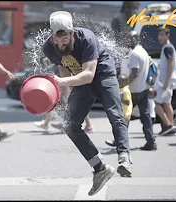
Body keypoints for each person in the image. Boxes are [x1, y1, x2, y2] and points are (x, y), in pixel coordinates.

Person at [43, 11, 133, 195]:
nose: (61, 44)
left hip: (102, 74)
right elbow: (64, 71)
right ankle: (100, 169)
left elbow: (89, 75)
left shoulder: (87, 38)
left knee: (114, 114)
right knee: (70, 125)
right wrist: (67, 100)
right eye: (57, 40)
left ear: (72, 33)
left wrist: (61, 81)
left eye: (64, 39)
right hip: (80, 81)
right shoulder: (49, 47)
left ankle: (124, 157)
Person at [105, 31, 157, 150]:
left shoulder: (134, 54)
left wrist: (123, 85)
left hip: (132, 91)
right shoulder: (143, 51)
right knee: (145, 117)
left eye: (129, 39)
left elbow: (134, 73)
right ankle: (151, 142)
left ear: (135, 39)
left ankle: (119, 141)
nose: (127, 41)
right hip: (143, 89)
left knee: (122, 116)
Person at [154, 27, 176, 136]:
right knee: (167, 103)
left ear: (168, 35)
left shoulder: (167, 47)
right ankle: (170, 126)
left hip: (165, 80)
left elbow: (170, 64)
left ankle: (168, 124)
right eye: (159, 35)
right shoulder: (169, 47)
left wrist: (166, 82)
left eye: (163, 35)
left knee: (155, 101)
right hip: (169, 78)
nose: (160, 37)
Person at [105, 74, 133, 147]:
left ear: (126, 82)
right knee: (119, 129)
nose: (120, 82)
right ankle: (117, 142)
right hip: (121, 113)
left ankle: (122, 144)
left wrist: (120, 99)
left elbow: (127, 102)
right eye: (119, 80)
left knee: (122, 130)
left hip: (125, 114)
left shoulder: (125, 91)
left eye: (122, 80)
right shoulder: (120, 89)